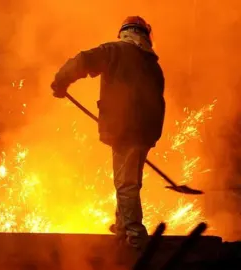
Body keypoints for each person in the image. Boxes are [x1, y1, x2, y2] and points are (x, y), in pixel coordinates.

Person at [50, 16, 165, 249]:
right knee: (129, 179)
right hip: (145, 132)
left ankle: (135, 235)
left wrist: (61, 81)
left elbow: (84, 60)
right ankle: (123, 226)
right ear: (144, 36)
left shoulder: (115, 50)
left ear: (125, 32)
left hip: (125, 128)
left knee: (126, 184)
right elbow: (158, 102)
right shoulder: (153, 65)